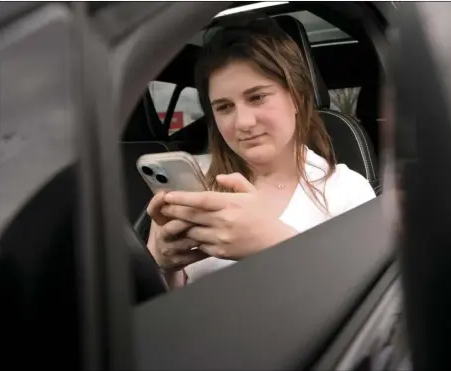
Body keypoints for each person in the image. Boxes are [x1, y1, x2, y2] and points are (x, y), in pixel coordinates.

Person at [146, 17, 376, 288]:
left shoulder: (347, 192)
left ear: (297, 98)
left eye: (257, 97)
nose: (243, 122)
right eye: (224, 107)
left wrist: (276, 243)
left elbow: (375, 306)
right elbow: (171, 307)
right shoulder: (196, 191)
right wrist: (161, 266)